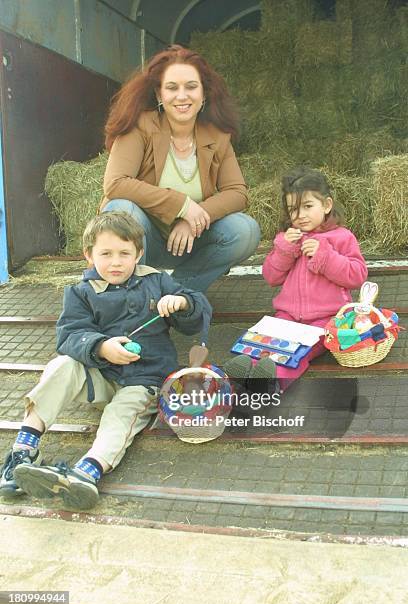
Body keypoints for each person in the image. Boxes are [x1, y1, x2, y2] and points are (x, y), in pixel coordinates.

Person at [0, 212, 211, 510]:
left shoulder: (157, 281)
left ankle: (88, 470)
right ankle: (25, 447)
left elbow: (197, 313)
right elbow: (70, 335)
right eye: (106, 254)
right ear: (89, 255)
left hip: (144, 382)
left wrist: (183, 302)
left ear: (138, 253)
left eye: (125, 253)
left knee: (121, 413)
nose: (116, 262)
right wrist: (101, 347)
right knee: (61, 365)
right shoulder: (80, 292)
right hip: (101, 376)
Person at [101, 44, 260, 292]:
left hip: (189, 242)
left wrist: (195, 216)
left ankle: (177, 292)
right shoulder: (139, 125)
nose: (182, 96)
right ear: (158, 95)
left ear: (204, 94)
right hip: (144, 239)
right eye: (172, 88)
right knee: (121, 209)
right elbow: (115, 183)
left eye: (191, 87)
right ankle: (129, 298)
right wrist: (182, 206)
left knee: (245, 229)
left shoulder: (217, 135)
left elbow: (238, 192)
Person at [225, 167, 368, 389]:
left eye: (308, 206)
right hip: (287, 315)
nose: (300, 215)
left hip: (326, 319)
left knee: (295, 352)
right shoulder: (288, 239)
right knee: (263, 340)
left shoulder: (341, 237)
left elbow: (357, 275)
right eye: (293, 209)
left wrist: (326, 257)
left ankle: (272, 383)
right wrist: (284, 250)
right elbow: (271, 277)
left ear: (327, 205)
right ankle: (243, 373)